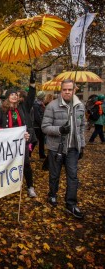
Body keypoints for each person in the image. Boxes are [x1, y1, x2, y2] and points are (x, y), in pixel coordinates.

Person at [41, 79, 85, 219]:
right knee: (54, 174)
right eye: (64, 89)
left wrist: (82, 145)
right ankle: (52, 194)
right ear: (61, 90)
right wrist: (59, 129)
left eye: (69, 89)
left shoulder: (80, 106)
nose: (67, 92)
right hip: (56, 148)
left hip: (73, 148)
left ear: (74, 90)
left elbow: (82, 126)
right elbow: (45, 127)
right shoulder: (52, 106)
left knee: (73, 176)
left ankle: (70, 203)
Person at [0, 72, 37, 198]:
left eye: (16, 95)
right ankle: (8, 187)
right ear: (8, 97)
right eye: (12, 95)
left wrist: (32, 84)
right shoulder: (2, 110)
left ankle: (30, 186)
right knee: (8, 164)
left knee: (25, 164)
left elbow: (31, 97)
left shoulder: (23, 108)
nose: (14, 96)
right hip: (7, 143)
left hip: (22, 142)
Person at [32, 91, 47, 159]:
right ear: (42, 97)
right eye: (44, 96)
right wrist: (42, 125)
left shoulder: (41, 104)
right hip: (37, 126)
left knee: (42, 140)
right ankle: (28, 153)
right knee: (34, 141)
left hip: (40, 126)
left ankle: (42, 154)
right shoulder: (36, 105)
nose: (45, 98)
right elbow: (37, 117)